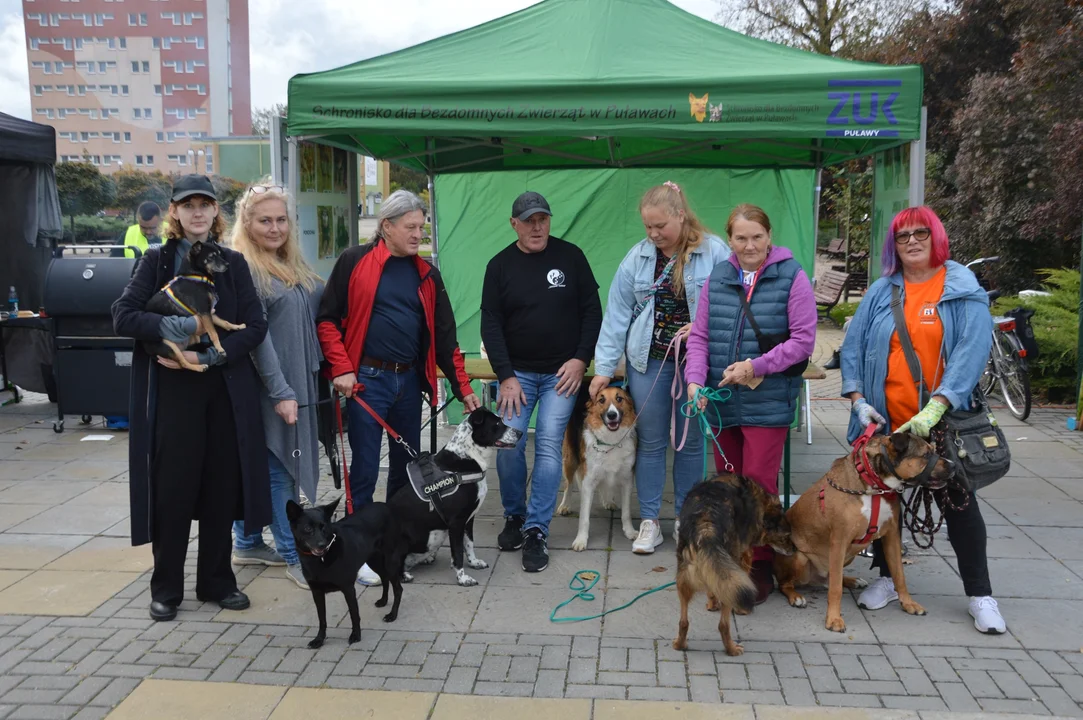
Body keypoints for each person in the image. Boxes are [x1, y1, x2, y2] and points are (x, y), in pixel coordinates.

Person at [112, 174, 270, 622]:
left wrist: (214, 359)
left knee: (222, 487)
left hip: (221, 389)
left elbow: (255, 327)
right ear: (175, 213)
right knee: (174, 491)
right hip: (174, 391)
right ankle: (165, 588)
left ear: (216, 212)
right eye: (188, 205)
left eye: (206, 204)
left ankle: (217, 581)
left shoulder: (234, 264)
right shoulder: (156, 261)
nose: (198, 212)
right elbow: (123, 315)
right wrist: (180, 332)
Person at [839, 206, 1005, 634]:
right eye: (902, 235)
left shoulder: (961, 288)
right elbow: (853, 346)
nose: (911, 241)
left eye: (920, 233)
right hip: (887, 420)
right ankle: (886, 580)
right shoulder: (882, 290)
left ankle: (980, 595)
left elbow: (970, 351)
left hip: (941, 422)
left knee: (959, 504)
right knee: (884, 503)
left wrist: (939, 404)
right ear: (893, 245)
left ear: (936, 237)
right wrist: (857, 398)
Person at [316, 189, 480, 586]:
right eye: (411, 227)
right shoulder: (354, 261)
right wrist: (341, 368)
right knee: (366, 469)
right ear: (385, 226)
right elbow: (327, 320)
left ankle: (391, 549)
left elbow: (446, 339)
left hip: (408, 382)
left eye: (421, 227)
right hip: (366, 382)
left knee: (407, 475)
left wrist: (463, 388)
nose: (418, 235)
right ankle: (356, 552)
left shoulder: (426, 273)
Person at [685, 203, 816, 604]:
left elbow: (803, 341)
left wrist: (755, 366)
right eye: (740, 237)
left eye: (756, 236)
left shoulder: (792, 277)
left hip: (768, 401)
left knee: (758, 487)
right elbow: (700, 337)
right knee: (727, 490)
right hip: (722, 402)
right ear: (729, 240)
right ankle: (728, 565)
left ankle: (757, 565)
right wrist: (694, 382)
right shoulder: (719, 276)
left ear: (769, 237)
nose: (749, 245)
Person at [590, 181, 732, 554]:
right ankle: (650, 521)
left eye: (660, 226)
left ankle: (687, 521)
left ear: (681, 217)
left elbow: (732, 305)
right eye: (647, 227)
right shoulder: (636, 258)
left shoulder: (715, 251)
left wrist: (701, 327)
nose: (653, 234)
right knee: (651, 443)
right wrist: (604, 367)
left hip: (697, 363)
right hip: (648, 361)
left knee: (690, 444)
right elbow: (616, 315)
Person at [481, 191, 602, 572]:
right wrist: (505, 376)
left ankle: (537, 529)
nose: (537, 227)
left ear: (550, 220)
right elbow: (491, 325)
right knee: (509, 445)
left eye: (543, 219)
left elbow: (591, 313)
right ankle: (515, 517)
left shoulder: (571, 257)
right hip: (516, 376)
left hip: (559, 377)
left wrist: (581, 359)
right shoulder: (499, 265)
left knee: (549, 444)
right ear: (514, 224)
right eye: (529, 220)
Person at [229, 182, 324, 590]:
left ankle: (247, 540)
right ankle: (294, 557)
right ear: (247, 223)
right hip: (269, 386)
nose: (274, 228)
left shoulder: (286, 264)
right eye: (264, 220)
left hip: (295, 381)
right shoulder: (247, 268)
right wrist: (281, 390)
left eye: (281, 219)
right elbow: (258, 338)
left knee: (259, 466)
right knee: (280, 469)